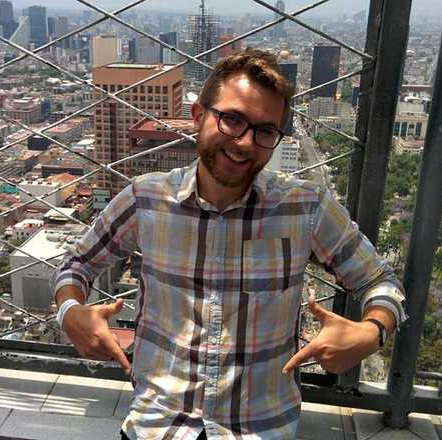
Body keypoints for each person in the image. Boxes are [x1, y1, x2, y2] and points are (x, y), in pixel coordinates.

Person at [52, 49, 406, 439]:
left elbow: (380, 281)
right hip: (156, 425)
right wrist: (70, 310)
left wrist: (372, 331)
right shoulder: (146, 199)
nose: (245, 143)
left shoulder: (304, 208)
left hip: (259, 428)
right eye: (232, 120)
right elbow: (77, 263)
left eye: (265, 131)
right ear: (198, 116)